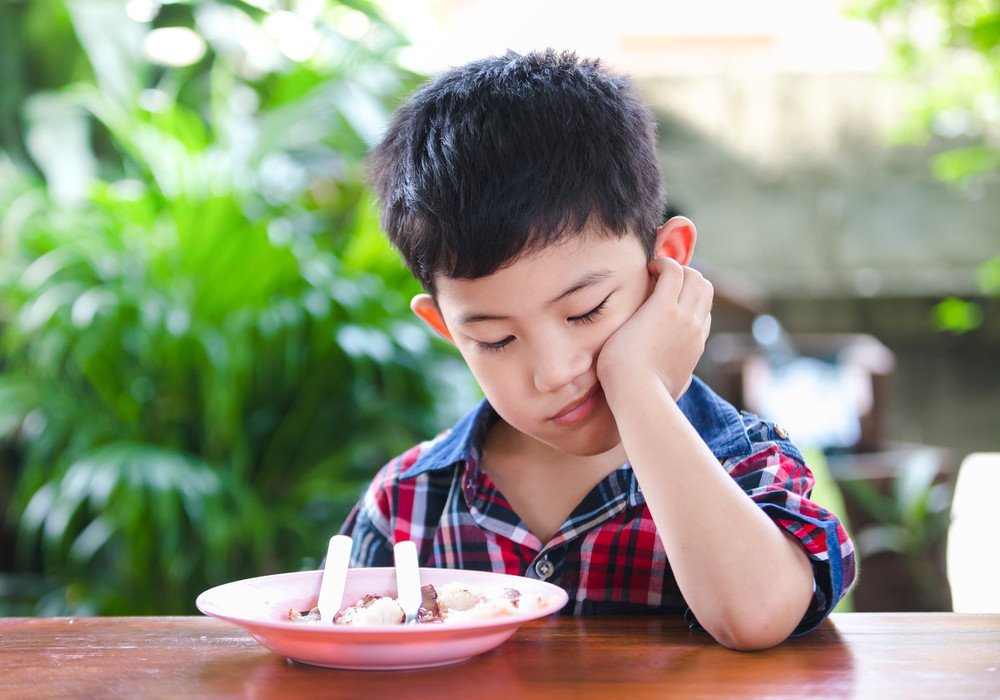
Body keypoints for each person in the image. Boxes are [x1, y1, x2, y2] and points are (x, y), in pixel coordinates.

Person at [339, 48, 856, 650]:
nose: (554, 372)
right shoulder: (411, 500)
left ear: (669, 265)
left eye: (585, 312)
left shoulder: (746, 467)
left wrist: (637, 382)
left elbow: (757, 616)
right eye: (495, 339)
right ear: (449, 331)